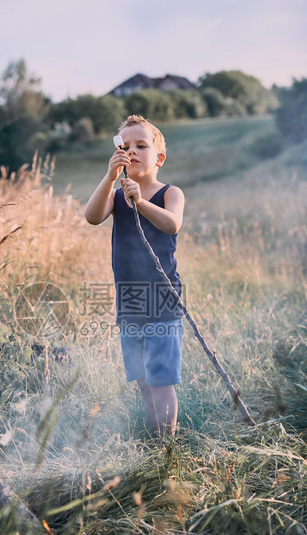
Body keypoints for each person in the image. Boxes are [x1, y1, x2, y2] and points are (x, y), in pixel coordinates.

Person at [85, 115, 185, 437]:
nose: (132, 151)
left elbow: (172, 224)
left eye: (141, 145)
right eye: (125, 146)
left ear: (159, 158)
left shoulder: (170, 193)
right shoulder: (115, 196)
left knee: (160, 380)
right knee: (143, 381)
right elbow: (92, 217)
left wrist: (140, 202)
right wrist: (110, 176)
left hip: (161, 299)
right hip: (130, 301)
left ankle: (166, 446)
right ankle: (155, 440)